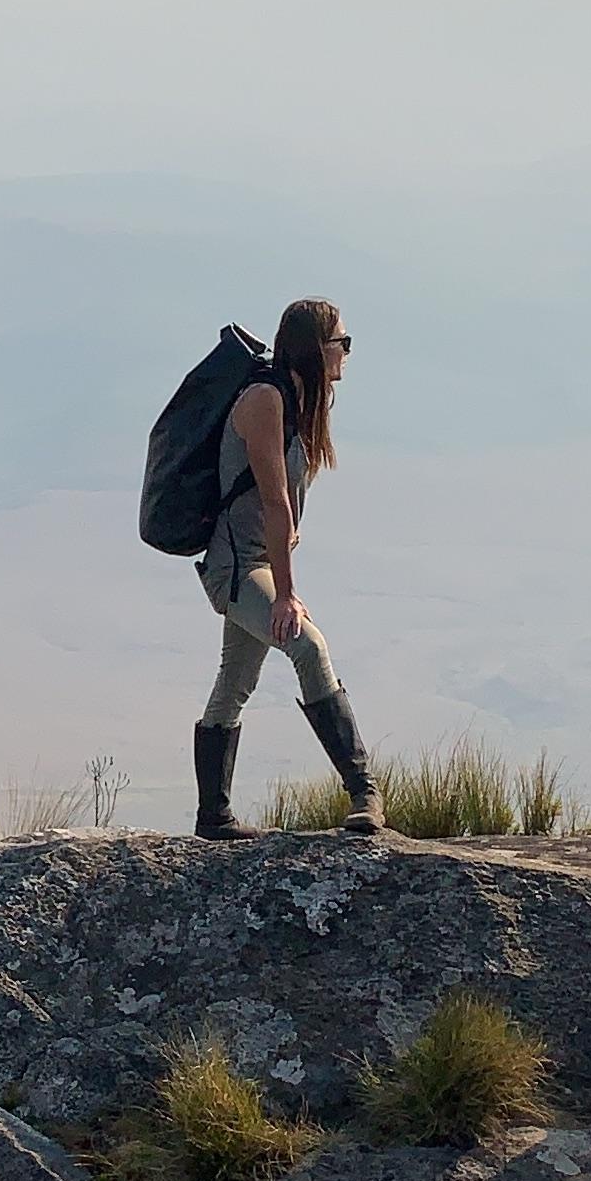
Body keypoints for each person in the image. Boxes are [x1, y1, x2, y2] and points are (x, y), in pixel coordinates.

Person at [192, 297, 386, 838]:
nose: (347, 352)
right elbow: (276, 504)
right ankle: (365, 790)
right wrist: (285, 595)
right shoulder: (265, 401)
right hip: (235, 569)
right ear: (313, 348)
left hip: (255, 564)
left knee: (235, 683)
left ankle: (213, 817)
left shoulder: (301, 402)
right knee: (306, 643)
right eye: (340, 342)